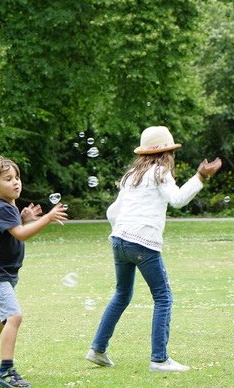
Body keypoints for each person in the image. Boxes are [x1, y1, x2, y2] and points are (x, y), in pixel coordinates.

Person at [86, 126, 222, 372]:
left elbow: (112, 212)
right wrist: (200, 176)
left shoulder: (130, 176)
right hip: (143, 242)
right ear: (167, 153)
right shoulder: (160, 172)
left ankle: (97, 349)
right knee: (163, 297)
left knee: (121, 295)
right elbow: (178, 200)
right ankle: (159, 359)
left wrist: (122, 233)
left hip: (119, 241)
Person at [0, 157, 68, 388]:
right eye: (8, 179)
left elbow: (15, 230)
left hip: (5, 272)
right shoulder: (1, 207)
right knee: (14, 316)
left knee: (3, 316)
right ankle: (5, 371)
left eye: (17, 178)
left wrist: (23, 219)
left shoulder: (10, 207)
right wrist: (47, 218)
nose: (16, 183)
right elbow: (21, 235)